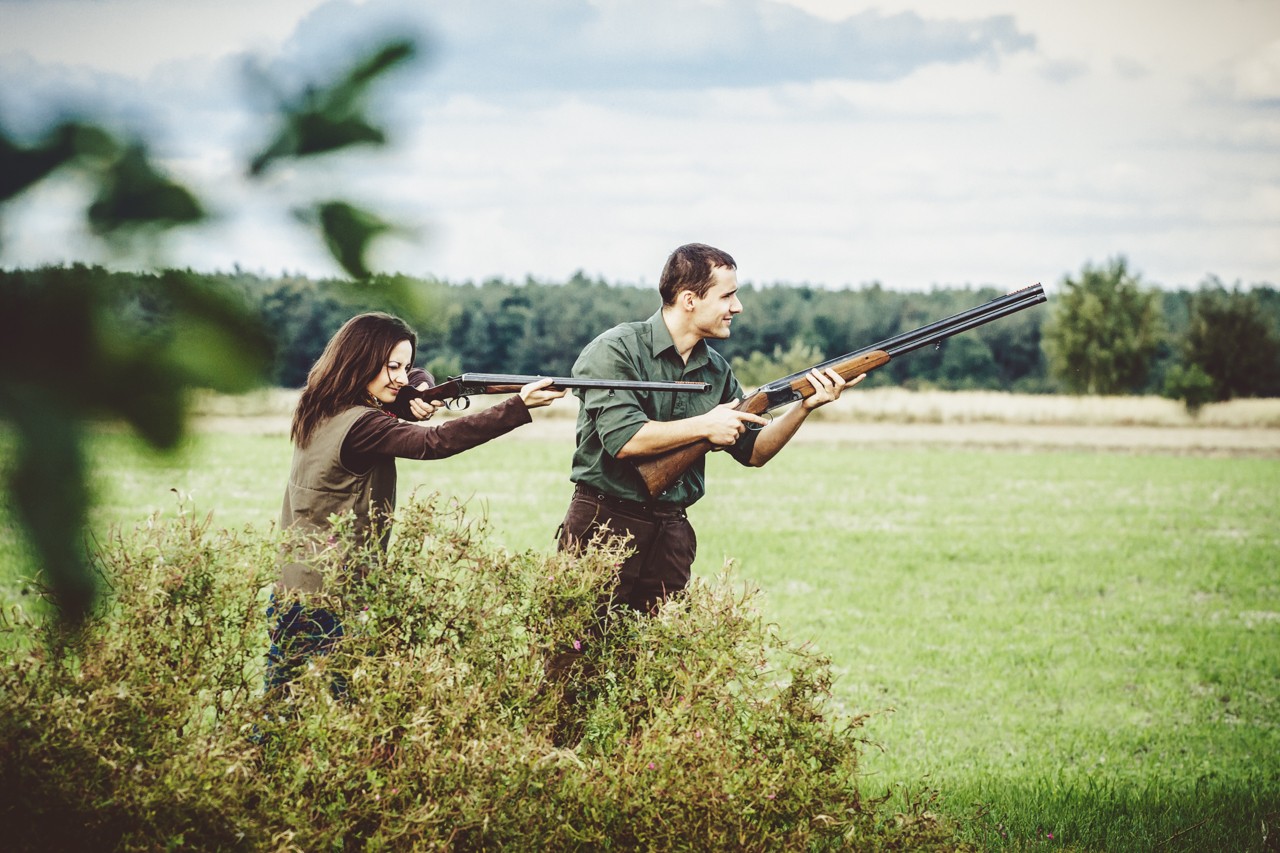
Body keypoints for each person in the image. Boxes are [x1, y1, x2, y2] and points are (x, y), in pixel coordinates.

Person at [267, 311, 565, 695]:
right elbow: (433, 442)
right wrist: (517, 406)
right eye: (391, 366)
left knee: (277, 701)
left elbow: (418, 379)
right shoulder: (363, 424)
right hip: (334, 593)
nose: (401, 377)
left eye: (405, 366)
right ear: (360, 360)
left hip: (292, 583)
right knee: (346, 709)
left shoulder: (319, 404)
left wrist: (412, 395)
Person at [557, 243, 863, 616]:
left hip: (670, 533)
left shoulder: (715, 369)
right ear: (689, 299)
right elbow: (626, 440)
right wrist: (707, 425)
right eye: (728, 296)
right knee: (574, 659)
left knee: (659, 663)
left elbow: (754, 451)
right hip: (604, 524)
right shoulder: (615, 350)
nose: (738, 307)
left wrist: (804, 407)